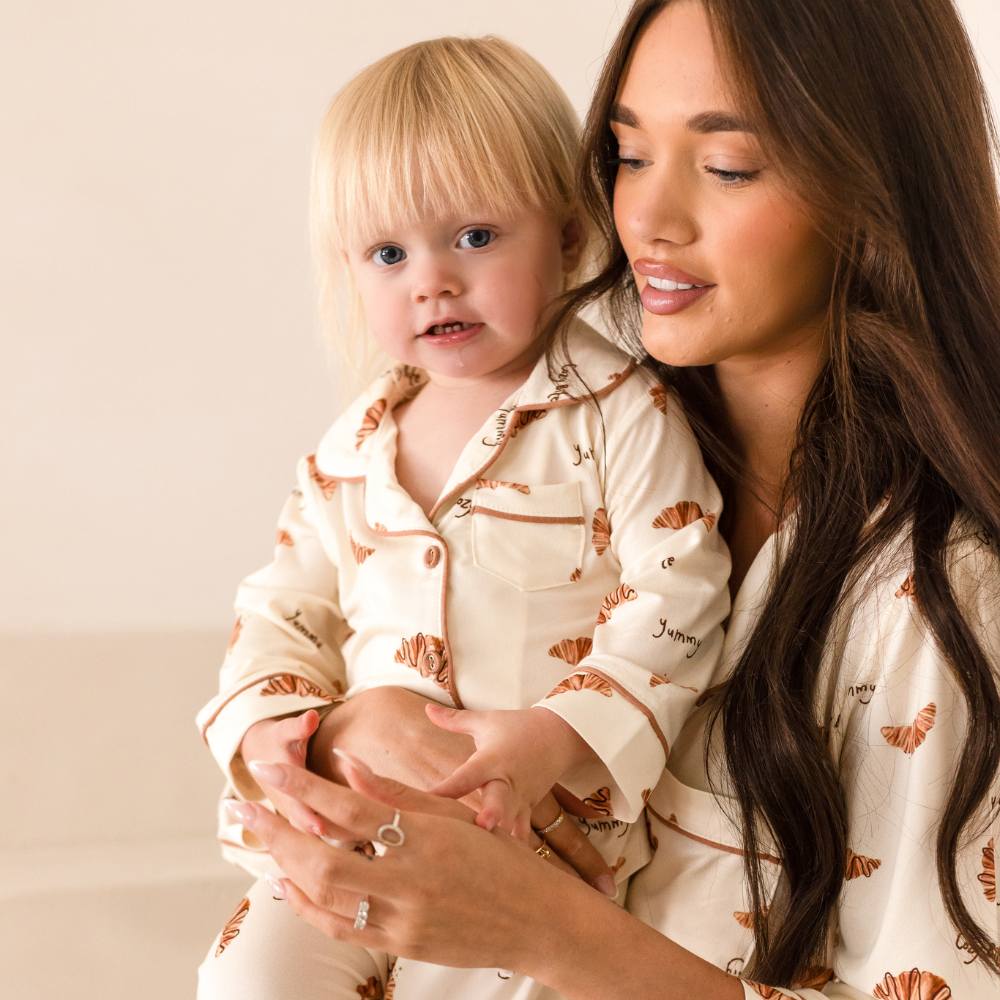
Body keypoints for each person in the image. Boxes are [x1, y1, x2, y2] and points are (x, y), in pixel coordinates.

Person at [225, 0, 1000, 997]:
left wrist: (550, 932)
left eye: (726, 166)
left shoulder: (944, 597)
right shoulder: (542, 436)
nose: (648, 219)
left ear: (873, 187)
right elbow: (294, 622)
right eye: (629, 156)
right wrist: (348, 731)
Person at [196, 33, 733, 999]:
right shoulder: (349, 454)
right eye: (389, 253)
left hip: (535, 846)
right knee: (247, 980)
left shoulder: (619, 413)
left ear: (569, 238)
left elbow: (682, 587)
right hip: (347, 836)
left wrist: (557, 736)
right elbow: (283, 610)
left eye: (475, 237)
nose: (431, 279)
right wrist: (274, 722)